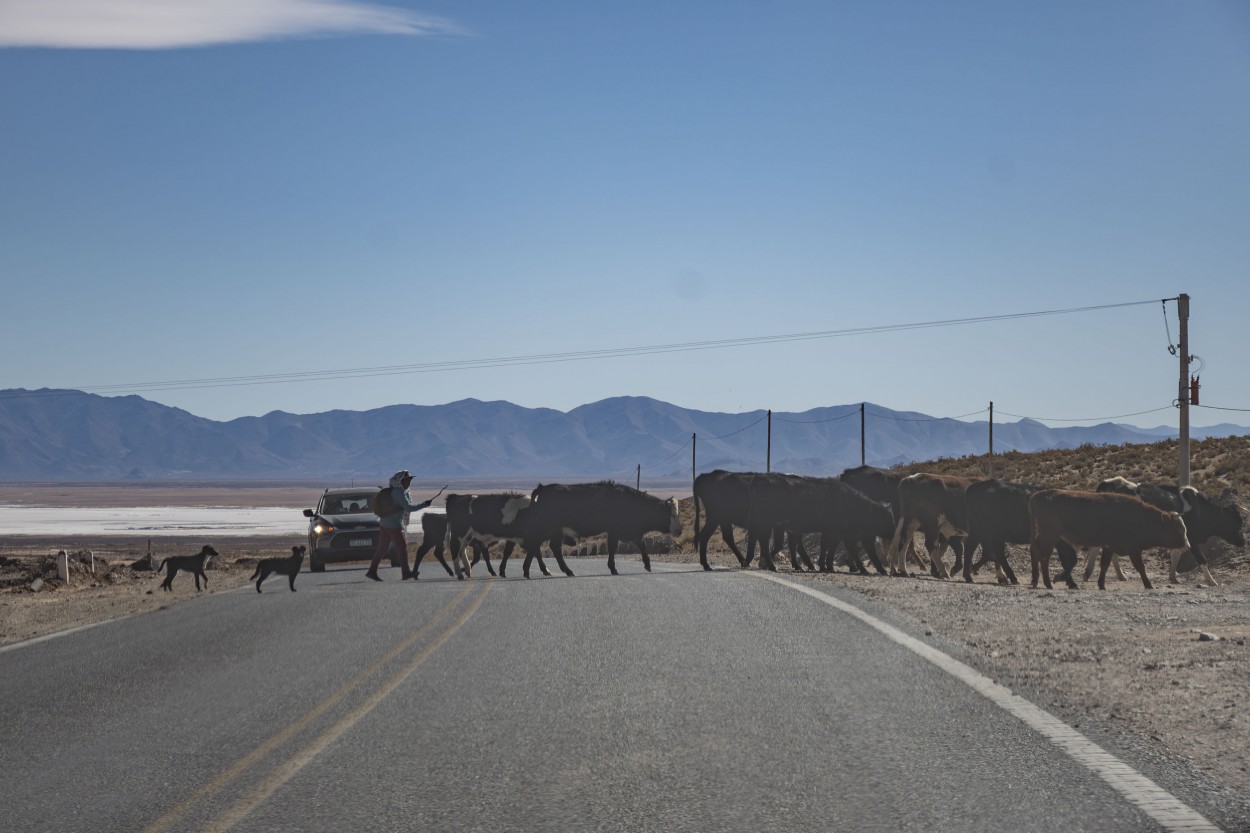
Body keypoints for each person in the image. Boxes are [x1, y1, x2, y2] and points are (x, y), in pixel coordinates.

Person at [365, 470, 432, 581]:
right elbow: (410, 507)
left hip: (384, 523)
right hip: (392, 524)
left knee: (383, 548)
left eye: (409, 480)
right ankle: (405, 572)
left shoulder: (397, 491)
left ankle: (372, 571)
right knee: (401, 547)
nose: (409, 482)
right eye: (407, 480)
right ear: (400, 481)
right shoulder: (399, 492)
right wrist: (425, 504)